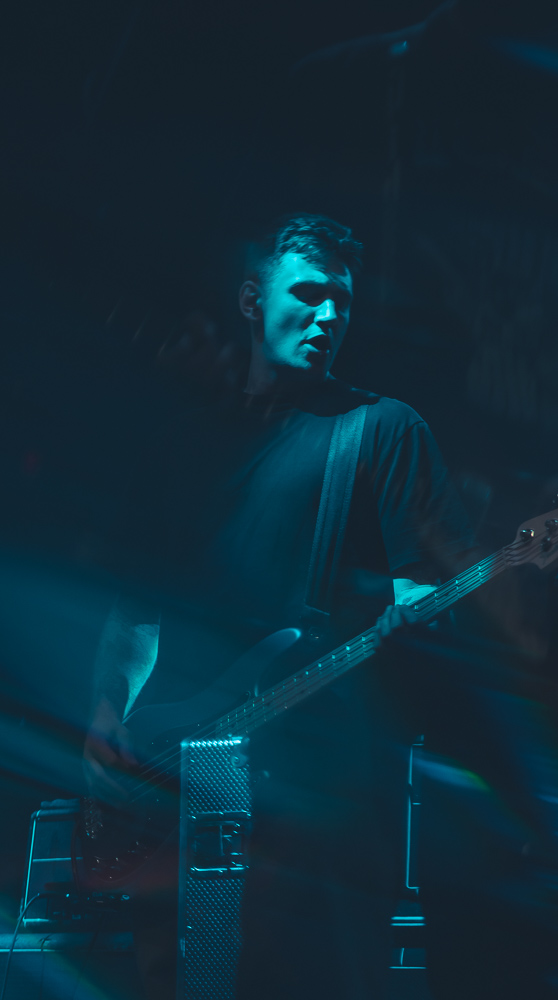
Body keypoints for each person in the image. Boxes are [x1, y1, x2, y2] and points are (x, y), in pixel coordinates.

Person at [83, 212, 472, 1000]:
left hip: (316, 796)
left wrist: (428, 611)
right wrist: (104, 721)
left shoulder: (380, 431)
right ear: (252, 300)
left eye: (343, 301)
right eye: (309, 292)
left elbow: (424, 598)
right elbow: (136, 614)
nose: (329, 315)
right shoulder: (183, 445)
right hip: (180, 783)